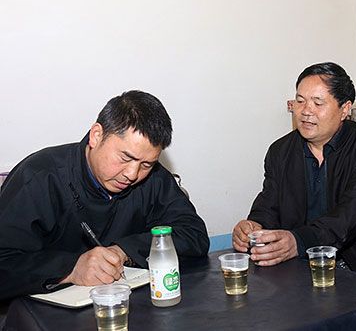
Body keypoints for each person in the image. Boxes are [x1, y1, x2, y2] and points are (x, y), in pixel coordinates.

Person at [0, 90, 210, 301]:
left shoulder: (153, 178)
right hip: (41, 312)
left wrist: (124, 251)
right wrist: (70, 269)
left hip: (131, 306)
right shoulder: (39, 177)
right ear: (96, 135)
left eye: (146, 164)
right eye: (125, 158)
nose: (132, 174)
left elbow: (194, 234)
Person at [232, 62, 356, 282]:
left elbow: (352, 216)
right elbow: (268, 205)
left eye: (318, 103)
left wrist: (299, 241)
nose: (306, 111)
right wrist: (253, 227)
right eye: (300, 101)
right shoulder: (280, 151)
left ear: (344, 109)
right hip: (297, 269)